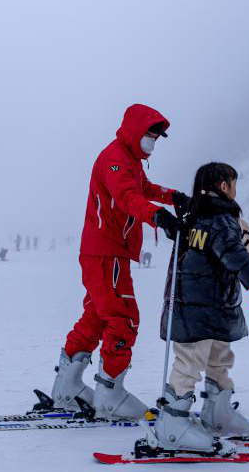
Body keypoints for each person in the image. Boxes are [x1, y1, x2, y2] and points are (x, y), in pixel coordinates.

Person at [49, 103, 188, 420]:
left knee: (97, 317)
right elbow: (127, 197)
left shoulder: (131, 160)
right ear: (135, 130)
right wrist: (157, 216)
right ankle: (110, 394)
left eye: (157, 136)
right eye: (151, 133)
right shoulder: (115, 159)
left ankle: (66, 387)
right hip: (105, 251)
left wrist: (174, 197)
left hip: (105, 251)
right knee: (123, 318)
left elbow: (143, 188)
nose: (153, 141)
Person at [153, 162, 249, 455]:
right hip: (198, 309)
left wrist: (163, 220)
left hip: (213, 307)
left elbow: (187, 240)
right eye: (234, 184)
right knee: (189, 363)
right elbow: (234, 254)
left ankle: (217, 414)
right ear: (224, 186)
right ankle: (172, 427)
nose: (235, 190)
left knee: (220, 357)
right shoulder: (218, 220)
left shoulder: (196, 216)